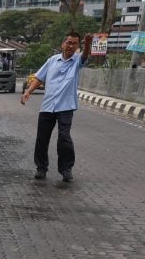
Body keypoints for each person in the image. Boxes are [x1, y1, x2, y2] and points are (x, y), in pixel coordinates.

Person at [21, 31, 93, 183]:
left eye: (74, 43)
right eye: (69, 42)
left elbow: (85, 55)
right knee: (42, 138)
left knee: (64, 138)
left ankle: (66, 169)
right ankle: (41, 168)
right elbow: (39, 78)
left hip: (66, 107)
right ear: (63, 44)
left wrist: (87, 44)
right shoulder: (52, 60)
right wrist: (28, 91)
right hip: (48, 106)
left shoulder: (77, 61)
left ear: (77, 46)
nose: (71, 46)